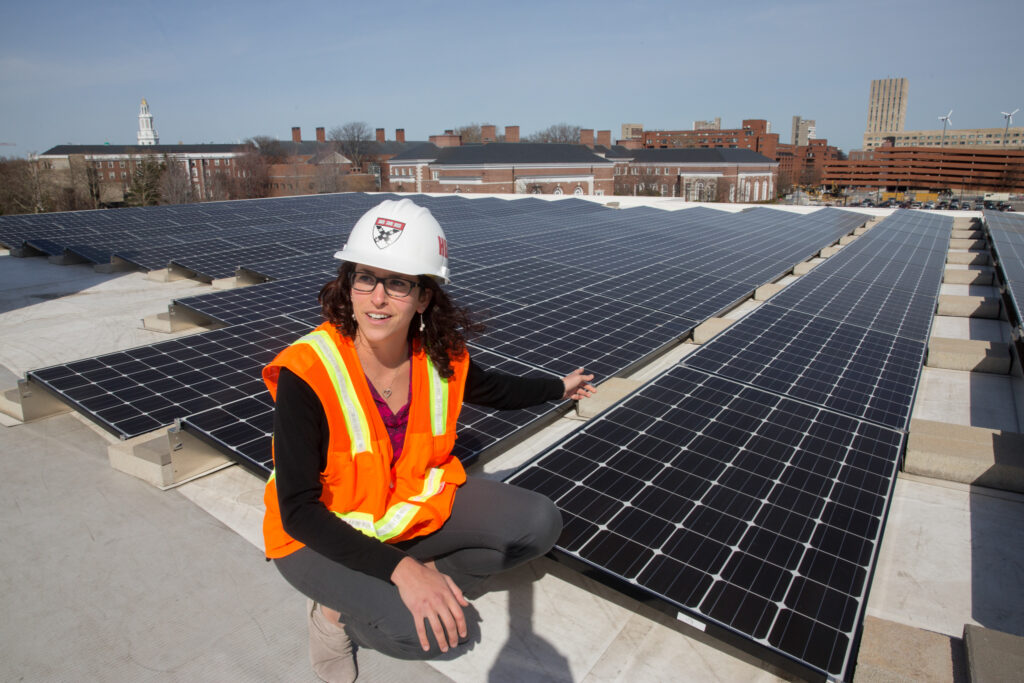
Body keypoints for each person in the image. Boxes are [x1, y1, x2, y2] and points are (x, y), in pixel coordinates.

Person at [261, 198, 596, 682]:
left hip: (405, 507)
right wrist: (403, 573)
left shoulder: (439, 357)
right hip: (314, 535)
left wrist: (557, 387)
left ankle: (414, 578)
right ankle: (333, 616)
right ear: (348, 285)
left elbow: (497, 389)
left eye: (398, 283)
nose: (378, 298)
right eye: (365, 278)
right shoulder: (308, 371)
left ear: (422, 297)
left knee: (538, 523)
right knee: (431, 635)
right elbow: (298, 510)